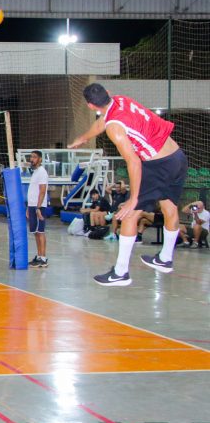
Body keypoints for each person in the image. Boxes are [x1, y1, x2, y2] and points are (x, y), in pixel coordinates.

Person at [72, 83, 188, 286]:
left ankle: (120, 273)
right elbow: (102, 123)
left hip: (158, 164)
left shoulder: (114, 128)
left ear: (90, 106)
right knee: (169, 206)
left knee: (130, 213)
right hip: (177, 157)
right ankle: (165, 259)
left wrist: (133, 199)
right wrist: (82, 138)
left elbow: (133, 161)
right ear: (108, 93)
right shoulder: (121, 100)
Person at [26, 150, 49, 268]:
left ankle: (44, 258)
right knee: (35, 232)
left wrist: (38, 207)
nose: (32, 159)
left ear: (40, 159)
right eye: (31, 157)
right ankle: (39, 256)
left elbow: (42, 190)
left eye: (34, 157)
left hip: (39, 206)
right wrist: (28, 207)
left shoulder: (42, 172)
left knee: (40, 232)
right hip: (32, 205)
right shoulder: (34, 172)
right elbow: (32, 191)